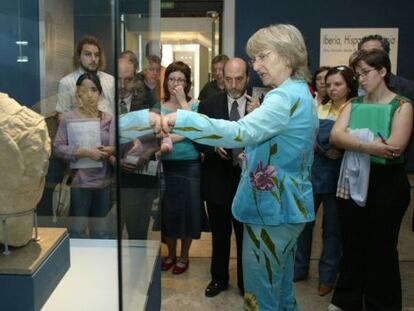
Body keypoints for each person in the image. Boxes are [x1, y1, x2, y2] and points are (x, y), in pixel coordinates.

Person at [143, 24, 317, 309]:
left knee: (261, 297)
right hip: (288, 206)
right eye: (254, 58)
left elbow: (240, 133)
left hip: (271, 212)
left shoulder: (283, 97)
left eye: (262, 56)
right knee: (281, 289)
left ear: (286, 55)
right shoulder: (300, 92)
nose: (256, 65)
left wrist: (184, 119)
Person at [328, 49, 412, 311]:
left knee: (382, 249)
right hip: (353, 179)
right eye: (358, 74)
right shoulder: (352, 104)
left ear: (383, 71)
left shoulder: (402, 105)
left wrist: (355, 142)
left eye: (366, 72)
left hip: (387, 184)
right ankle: (346, 301)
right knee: (352, 245)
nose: (361, 79)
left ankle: (381, 305)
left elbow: (394, 147)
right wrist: (370, 146)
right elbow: (335, 136)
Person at [294, 65, 358, 296]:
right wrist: (329, 144)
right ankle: (299, 268)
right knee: (304, 225)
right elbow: (314, 139)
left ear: (349, 85)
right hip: (313, 175)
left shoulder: (355, 109)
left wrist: (330, 143)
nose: (331, 88)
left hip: (339, 179)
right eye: (328, 84)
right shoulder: (320, 108)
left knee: (332, 230)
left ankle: (327, 276)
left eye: (337, 84)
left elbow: (334, 141)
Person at [196, 57, 250, 297]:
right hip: (217, 178)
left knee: (245, 236)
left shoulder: (260, 107)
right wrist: (212, 147)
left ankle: (246, 282)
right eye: (229, 79)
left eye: (239, 79)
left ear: (248, 78)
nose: (234, 84)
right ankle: (219, 278)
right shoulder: (208, 105)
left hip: (248, 182)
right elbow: (197, 138)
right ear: (221, 78)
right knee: (220, 235)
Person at [157, 61, 208, 275]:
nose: (175, 83)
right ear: (166, 81)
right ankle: (170, 253)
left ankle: (185, 256)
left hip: (190, 166)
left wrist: (181, 102)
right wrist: (180, 134)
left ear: (187, 83)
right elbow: (156, 133)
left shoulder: (194, 105)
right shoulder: (158, 106)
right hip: (165, 166)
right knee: (168, 212)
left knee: (189, 212)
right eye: (171, 79)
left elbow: (195, 128)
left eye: (180, 80)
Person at [54, 73, 115, 238]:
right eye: (84, 90)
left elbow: (114, 148)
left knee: (101, 232)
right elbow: (58, 148)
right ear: (77, 93)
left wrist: (107, 151)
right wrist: (84, 152)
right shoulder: (68, 118)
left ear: (100, 93)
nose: (90, 95)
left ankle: (100, 263)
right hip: (78, 183)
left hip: (103, 182)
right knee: (77, 232)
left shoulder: (108, 119)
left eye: (94, 90)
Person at [117, 51, 164, 240]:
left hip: (142, 177)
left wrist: (148, 153)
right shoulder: (105, 99)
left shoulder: (149, 99)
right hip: (115, 177)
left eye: (127, 80)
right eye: (119, 79)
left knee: (138, 234)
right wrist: (116, 160)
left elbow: (162, 135)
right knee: (111, 236)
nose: (123, 86)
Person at [56, 35, 115, 116]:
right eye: (88, 54)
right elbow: (61, 116)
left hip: (109, 126)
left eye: (97, 55)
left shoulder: (110, 80)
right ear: (79, 57)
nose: (93, 59)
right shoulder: (66, 82)